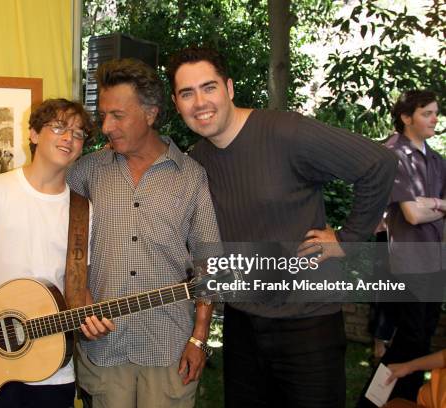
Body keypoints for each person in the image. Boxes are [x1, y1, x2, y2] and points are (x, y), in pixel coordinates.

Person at [0, 59, 222, 408]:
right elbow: (36, 186)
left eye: (117, 115)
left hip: (168, 347)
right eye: (103, 116)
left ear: (150, 113)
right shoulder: (85, 171)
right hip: (102, 349)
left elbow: (211, 264)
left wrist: (199, 339)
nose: (106, 126)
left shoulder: (191, 177)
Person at [166, 46, 398, 407]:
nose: (200, 102)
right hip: (242, 325)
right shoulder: (197, 162)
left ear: (228, 88)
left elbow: (378, 164)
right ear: (176, 103)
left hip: (308, 325)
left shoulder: (287, 133)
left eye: (208, 87)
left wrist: (349, 239)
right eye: (187, 93)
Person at [0, 98, 113, 408]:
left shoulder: (83, 209)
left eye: (79, 133)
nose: (69, 138)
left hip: (53, 370)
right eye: (59, 128)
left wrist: (90, 316)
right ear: (33, 134)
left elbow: (76, 285)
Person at [360, 90, 445, 406]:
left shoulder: (436, 159)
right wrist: (438, 207)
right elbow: (412, 213)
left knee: (421, 338)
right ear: (406, 117)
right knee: (408, 338)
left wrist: (434, 203)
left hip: (436, 258)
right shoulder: (393, 154)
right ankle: (371, 401)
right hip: (406, 261)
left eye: (436, 112)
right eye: (427, 113)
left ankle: (406, 401)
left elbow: (427, 208)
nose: (434, 119)